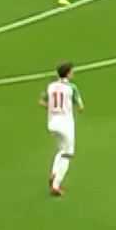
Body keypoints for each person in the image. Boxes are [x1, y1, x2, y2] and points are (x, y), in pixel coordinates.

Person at [41, 61, 83, 197]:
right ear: (68, 73)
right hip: (66, 124)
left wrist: (52, 109)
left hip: (52, 123)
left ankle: (54, 172)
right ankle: (56, 184)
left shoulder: (51, 86)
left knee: (61, 149)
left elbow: (41, 101)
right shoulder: (72, 88)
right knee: (68, 154)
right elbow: (81, 106)